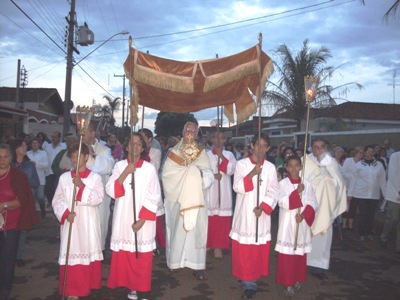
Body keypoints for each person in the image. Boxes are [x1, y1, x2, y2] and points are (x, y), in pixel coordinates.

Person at [106, 133, 162, 300]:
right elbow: (111, 190)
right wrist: (125, 173)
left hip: (142, 220)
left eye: (139, 144)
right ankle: (132, 288)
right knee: (128, 256)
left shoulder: (149, 168)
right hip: (123, 218)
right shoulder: (119, 166)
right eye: (132, 143)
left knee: (142, 257)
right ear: (127, 147)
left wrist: (142, 220)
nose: (135, 147)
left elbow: (155, 195)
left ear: (143, 148)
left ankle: (143, 290)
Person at [162, 121, 214, 280]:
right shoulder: (173, 152)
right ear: (182, 133)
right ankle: (174, 263)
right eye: (187, 130)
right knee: (177, 230)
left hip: (196, 201)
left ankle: (197, 266)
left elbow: (209, 175)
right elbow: (166, 175)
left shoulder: (202, 153)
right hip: (178, 200)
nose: (190, 133)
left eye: (193, 131)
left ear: (197, 134)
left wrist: (194, 175)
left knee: (195, 233)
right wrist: (187, 176)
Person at [230, 133, 279, 299]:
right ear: (251, 146)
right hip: (244, 214)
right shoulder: (241, 164)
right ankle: (248, 282)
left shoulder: (271, 168)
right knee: (244, 250)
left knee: (255, 250)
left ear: (268, 148)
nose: (261, 149)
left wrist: (264, 207)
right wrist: (252, 174)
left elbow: (274, 190)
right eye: (258, 145)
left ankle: (249, 280)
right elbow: (237, 187)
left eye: (265, 146)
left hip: (261, 215)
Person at [52, 143, 104, 300]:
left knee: (88, 250)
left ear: (86, 157)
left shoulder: (95, 177)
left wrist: (81, 186)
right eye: (72, 156)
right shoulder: (64, 178)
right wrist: (66, 213)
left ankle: (89, 284)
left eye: (78, 156)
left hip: (88, 222)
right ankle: (73, 289)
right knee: (72, 252)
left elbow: (98, 198)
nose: (74, 159)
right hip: (71, 224)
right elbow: (57, 200)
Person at [303, 138, 347, 281]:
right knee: (305, 235)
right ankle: (301, 263)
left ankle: (318, 267)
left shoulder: (332, 163)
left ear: (326, 148)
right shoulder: (306, 162)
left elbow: (340, 183)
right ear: (311, 149)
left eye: (322, 147)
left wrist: (326, 179)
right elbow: (302, 182)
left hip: (326, 207)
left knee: (323, 238)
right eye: (315, 147)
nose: (319, 150)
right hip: (309, 206)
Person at [275, 155, 318, 297]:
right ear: (287, 168)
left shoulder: (307, 183)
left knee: (299, 255)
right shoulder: (282, 184)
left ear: (301, 167)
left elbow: (313, 202)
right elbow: (282, 202)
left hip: (302, 224)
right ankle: (288, 283)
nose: (294, 168)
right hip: (288, 225)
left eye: (296, 165)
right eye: (291, 166)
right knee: (288, 256)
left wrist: (304, 215)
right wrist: (296, 192)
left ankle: (297, 279)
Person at [0, 144, 38, 300]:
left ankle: (5, 287)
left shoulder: (18, 176)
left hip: (10, 224)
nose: (2, 160)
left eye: (5, 157)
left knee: (8, 257)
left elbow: (22, 200)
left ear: (10, 158)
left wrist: (4, 205)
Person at [82, 123, 114, 251]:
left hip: (99, 194)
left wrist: (94, 155)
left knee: (100, 221)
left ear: (92, 133)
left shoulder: (104, 150)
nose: (81, 135)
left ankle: (99, 250)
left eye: (84, 132)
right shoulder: (79, 149)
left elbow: (108, 167)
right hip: (83, 191)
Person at [9, 139, 39, 268]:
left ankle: (19, 256)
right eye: (22, 145)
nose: (25, 147)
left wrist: (23, 184)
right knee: (9, 228)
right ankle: (9, 254)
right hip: (10, 199)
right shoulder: (9, 164)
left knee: (22, 229)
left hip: (25, 199)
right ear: (16, 149)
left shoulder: (30, 165)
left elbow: (36, 182)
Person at [206, 131, 236, 258]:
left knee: (222, 220)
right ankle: (209, 243)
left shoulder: (229, 154)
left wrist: (222, 157)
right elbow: (201, 171)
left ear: (224, 141)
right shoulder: (206, 155)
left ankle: (219, 246)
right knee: (211, 219)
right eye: (216, 137)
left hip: (224, 191)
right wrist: (212, 176)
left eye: (222, 138)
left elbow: (231, 170)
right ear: (212, 139)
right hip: (211, 190)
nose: (219, 140)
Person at [348, 145, 386, 241]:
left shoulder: (378, 165)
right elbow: (353, 180)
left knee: (371, 214)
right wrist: (350, 194)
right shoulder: (358, 165)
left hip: (374, 194)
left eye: (372, 152)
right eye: (368, 151)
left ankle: (368, 231)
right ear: (364, 152)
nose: (370, 153)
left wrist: (385, 193)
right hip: (361, 194)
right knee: (363, 213)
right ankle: (362, 232)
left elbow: (382, 180)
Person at [139, 128, 164, 255]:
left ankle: (153, 245)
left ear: (149, 139)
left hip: (150, 187)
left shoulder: (155, 151)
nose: (141, 140)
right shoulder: (135, 151)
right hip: (138, 189)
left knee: (152, 219)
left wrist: (144, 154)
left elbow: (154, 167)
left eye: (143, 137)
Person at [380, 151, 400, 254]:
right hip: (395, 194)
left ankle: (398, 245)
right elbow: (393, 175)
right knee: (393, 219)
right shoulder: (395, 156)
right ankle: (384, 238)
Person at [340, 146, 364, 230]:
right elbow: (343, 172)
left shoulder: (362, 163)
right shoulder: (348, 161)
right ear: (356, 153)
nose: (361, 155)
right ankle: (344, 223)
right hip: (347, 186)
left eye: (362, 153)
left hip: (356, 188)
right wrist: (353, 177)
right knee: (345, 206)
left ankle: (350, 224)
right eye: (360, 153)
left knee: (353, 206)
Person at [27, 138, 49, 218]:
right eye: (33, 143)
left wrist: (35, 163)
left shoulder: (43, 153)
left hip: (40, 178)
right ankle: (32, 214)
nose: (34, 144)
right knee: (31, 197)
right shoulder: (27, 153)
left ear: (39, 144)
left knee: (40, 196)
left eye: (36, 143)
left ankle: (43, 210)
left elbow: (45, 165)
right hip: (30, 179)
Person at [43, 131, 66, 207]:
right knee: (48, 188)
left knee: (56, 188)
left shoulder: (63, 147)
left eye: (55, 137)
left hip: (58, 171)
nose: (53, 139)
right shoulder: (47, 147)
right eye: (52, 137)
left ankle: (55, 203)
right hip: (48, 171)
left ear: (59, 138)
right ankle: (50, 200)